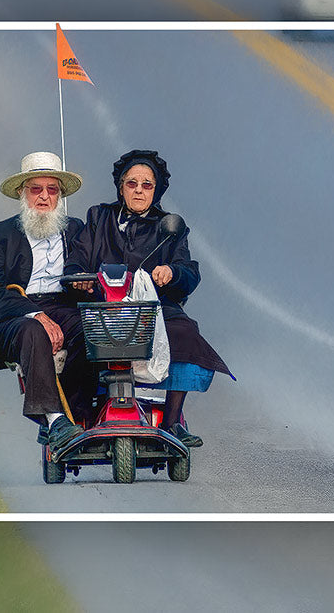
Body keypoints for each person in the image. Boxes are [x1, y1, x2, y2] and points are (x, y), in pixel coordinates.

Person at [65, 149, 232, 447]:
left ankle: (172, 420)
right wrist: (79, 278)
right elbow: (77, 259)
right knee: (76, 332)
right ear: (120, 187)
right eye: (132, 184)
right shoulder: (98, 217)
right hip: (104, 302)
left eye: (147, 185)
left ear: (156, 190)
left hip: (152, 305)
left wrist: (172, 272)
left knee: (184, 331)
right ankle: (81, 415)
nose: (139, 190)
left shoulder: (169, 226)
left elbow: (189, 271)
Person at [0, 151, 90, 452]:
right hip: (12, 316)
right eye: (35, 189)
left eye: (52, 190)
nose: (44, 197)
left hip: (64, 305)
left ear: (60, 195)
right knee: (33, 332)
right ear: (22, 193)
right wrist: (35, 314)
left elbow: (94, 268)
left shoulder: (76, 231)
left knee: (92, 329)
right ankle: (54, 420)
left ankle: (78, 416)